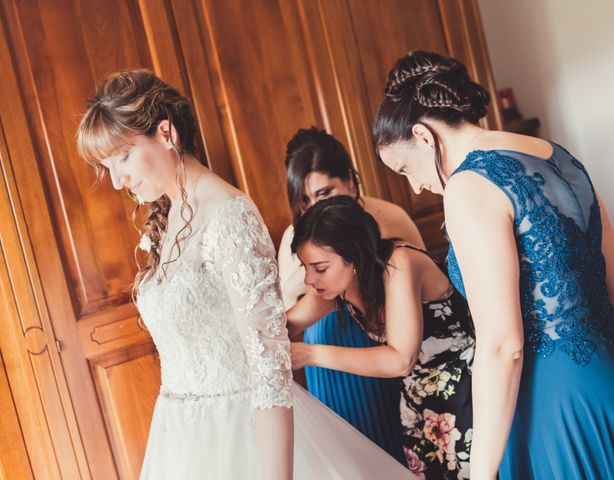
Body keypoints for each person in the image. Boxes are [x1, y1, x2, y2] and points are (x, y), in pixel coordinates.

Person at [76, 69, 414, 479]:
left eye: (123, 157)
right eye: (107, 167)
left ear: (166, 133)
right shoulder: (169, 219)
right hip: (183, 436)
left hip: (244, 432)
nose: (116, 181)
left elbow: (269, 366)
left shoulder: (229, 216)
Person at [372, 50, 614, 479]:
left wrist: (479, 474)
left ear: (424, 136)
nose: (417, 188)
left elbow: (502, 345)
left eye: (405, 169)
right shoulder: (556, 154)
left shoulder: (468, 186)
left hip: (557, 405)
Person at [288, 195, 475, 479]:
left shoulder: (399, 263)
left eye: (320, 268)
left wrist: (311, 354)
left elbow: (401, 359)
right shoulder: (338, 286)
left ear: (353, 257)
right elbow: (288, 323)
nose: (309, 280)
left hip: (465, 393)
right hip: (417, 405)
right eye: (305, 267)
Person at [278, 127, 424, 463]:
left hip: (392, 354)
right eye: (305, 201)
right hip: (329, 352)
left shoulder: (394, 237)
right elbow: (289, 315)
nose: (315, 208)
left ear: (350, 181)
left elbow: (405, 346)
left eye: (324, 193)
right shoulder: (298, 238)